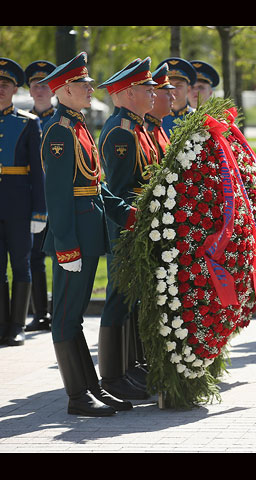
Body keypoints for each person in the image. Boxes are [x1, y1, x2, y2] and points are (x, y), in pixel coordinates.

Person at [39, 52, 137, 416]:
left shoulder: (79, 126)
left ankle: (91, 387)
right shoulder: (59, 132)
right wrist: (66, 246)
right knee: (65, 315)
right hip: (73, 239)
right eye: (83, 84)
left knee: (75, 315)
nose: (90, 88)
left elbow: (96, 185)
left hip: (89, 232)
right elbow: (59, 196)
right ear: (63, 90)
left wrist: (126, 214)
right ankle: (77, 396)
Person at [98, 57, 158, 401]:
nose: (153, 94)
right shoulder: (122, 131)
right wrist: (132, 223)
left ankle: (129, 368)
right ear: (129, 92)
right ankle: (112, 375)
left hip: (137, 225)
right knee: (119, 299)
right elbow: (119, 190)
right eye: (146, 89)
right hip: (125, 228)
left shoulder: (135, 127)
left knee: (131, 299)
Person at [0, 58, 45, 347]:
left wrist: (40, 211)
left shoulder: (28, 123)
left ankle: (17, 325)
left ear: (15, 89)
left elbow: (38, 172)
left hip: (19, 205)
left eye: (5, 85)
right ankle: (2, 323)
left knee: (21, 263)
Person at [23, 60, 56, 333]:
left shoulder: (61, 120)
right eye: (36, 84)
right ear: (30, 90)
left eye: (46, 84)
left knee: (61, 255)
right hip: (34, 199)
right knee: (35, 256)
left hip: (59, 197)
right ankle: (40, 313)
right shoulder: (24, 122)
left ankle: (60, 308)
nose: (41, 89)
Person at [145, 62, 175, 159]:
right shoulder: (147, 130)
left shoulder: (156, 127)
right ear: (154, 95)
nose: (173, 97)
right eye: (167, 93)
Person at [159, 57, 196, 136]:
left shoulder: (196, 117)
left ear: (188, 89)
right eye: (169, 85)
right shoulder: (155, 118)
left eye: (179, 85)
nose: (173, 90)